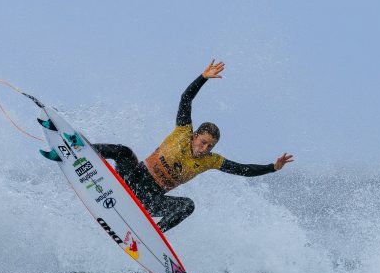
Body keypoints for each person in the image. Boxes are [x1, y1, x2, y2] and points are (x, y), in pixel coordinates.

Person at [94, 59, 293, 232]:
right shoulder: (183, 131)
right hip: (132, 180)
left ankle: (152, 234)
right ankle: (79, 148)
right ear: (195, 136)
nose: (205, 148)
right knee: (124, 151)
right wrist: (203, 77)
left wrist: (273, 168)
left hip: (149, 200)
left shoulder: (210, 161)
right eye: (203, 142)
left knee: (188, 206)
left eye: (210, 146)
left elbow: (242, 169)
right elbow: (186, 99)